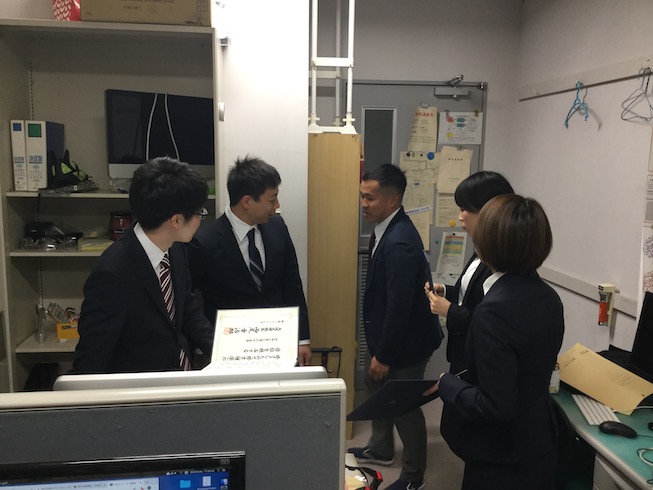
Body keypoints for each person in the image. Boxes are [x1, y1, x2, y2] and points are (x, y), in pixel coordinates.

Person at [424, 194, 564, 489]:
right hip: (539, 442)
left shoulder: (494, 310)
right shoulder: (548, 297)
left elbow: (494, 405)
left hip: (504, 458)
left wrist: (448, 384)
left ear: (487, 243)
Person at [348, 163, 443, 490]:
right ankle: (381, 448)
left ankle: (413, 477)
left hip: (407, 342)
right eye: (362, 196)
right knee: (375, 385)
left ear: (392, 200)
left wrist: (385, 356)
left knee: (404, 406)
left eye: (370, 198)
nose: (363, 204)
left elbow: (399, 306)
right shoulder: (386, 227)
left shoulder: (399, 240)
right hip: (392, 335)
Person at [72, 157, 214, 373]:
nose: (200, 220)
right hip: (141, 384)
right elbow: (93, 355)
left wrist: (225, 353)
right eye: (200, 213)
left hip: (179, 373)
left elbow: (188, 312)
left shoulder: (175, 248)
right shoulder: (113, 272)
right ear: (176, 221)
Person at [187, 155, 311, 366]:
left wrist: (302, 338)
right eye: (272, 199)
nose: (277, 205)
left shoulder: (277, 227)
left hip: (277, 343)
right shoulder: (205, 241)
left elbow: (292, 285)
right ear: (246, 201)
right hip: (229, 350)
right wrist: (206, 344)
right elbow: (189, 300)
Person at [425, 171, 514, 374]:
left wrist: (449, 311)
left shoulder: (503, 260)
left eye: (465, 209)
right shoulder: (481, 248)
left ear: (488, 211)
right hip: (462, 353)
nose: (460, 217)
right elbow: (471, 294)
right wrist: (445, 291)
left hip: (481, 361)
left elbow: (490, 321)